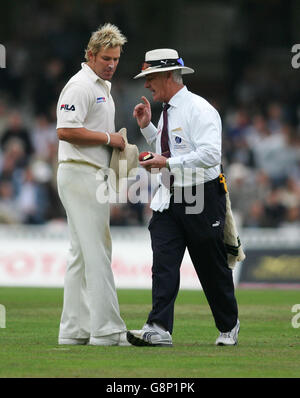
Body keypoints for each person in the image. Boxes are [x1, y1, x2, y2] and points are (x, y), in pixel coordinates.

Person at [127, 48, 239, 347]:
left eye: (150, 78)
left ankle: (229, 325)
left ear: (166, 76)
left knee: (210, 265)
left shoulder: (199, 109)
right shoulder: (168, 111)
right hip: (169, 197)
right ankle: (159, 327)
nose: (147, 85)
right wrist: (148, 128)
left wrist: (167, 163)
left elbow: (211, 155)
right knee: (164, 263)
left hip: (201, 195)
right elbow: (171, 151)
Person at [56, 23, 130, 346]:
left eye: (115, 58)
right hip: (81, 173)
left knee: (81, 255)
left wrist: (116, 149)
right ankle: (107, 330)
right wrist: (108, 139)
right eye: (105, 58)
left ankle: (73, 331)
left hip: (87, 173)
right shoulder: (81, 85)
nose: (111, 64)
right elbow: (65, 130)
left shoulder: (101, 86)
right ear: (90, 55)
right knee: (98, 251)